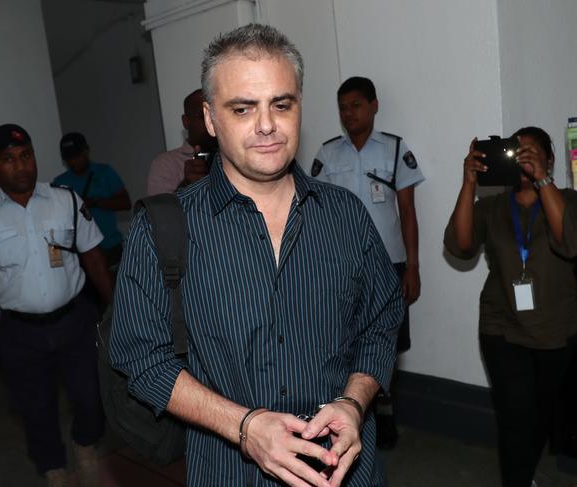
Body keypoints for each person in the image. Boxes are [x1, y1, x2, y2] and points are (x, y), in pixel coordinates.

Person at [110, 24, 403, 487]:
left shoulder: (345, 214)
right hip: (231, 472)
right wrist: (244, 427)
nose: (266, 125)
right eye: (242, 108)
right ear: (209, 119)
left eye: (281, 105)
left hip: (344, 473)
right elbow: (141, 357)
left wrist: (353, 401)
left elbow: (381, 321)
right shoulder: (164, 228)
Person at [0, 124, 114, 487]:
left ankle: (85, 447)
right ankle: (54, 469)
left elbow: (94, 259)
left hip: (75, 321)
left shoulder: (65, 200)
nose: (21, 166)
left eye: (26, 156)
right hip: (21, 332)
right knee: (35, 409)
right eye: (9, 160)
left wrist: (118, 309)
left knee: (91, 398)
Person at [444, 127, 577, 487]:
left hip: (556, 331)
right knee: (515, 416)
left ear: (549, 159)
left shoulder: (568, 200)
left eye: (533, 153)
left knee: (543, 415)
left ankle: (523, 473)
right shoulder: (492, 206)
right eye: (518, 152)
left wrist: (543, 181)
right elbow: (460, 244)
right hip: (502, 329)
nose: (525, 159)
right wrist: (469, 182)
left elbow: (569, 242)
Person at [311, 76, 424, 449]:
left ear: (374, 105)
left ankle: (386, 416)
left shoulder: (394, 150)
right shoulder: (328, 154)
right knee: (347, 340)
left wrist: (412, 266)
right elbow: (314, 211)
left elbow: (407, 212)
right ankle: (351, 412)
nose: (349, 114)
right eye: (343, 107)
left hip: (389, 265)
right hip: (342, 265)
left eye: (356, 105)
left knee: (387, 342)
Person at [54, 132, 131, 268]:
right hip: (79, 254)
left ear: (86, 150)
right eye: (68, 158)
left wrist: (95, 202)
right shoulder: (59, 183)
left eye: (76, 155)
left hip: (110, 248)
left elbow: (125, 203)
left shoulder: (105, 172)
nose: (73, 161)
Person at [146, 88, 218, 195]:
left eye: (214, 115)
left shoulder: (234, 155)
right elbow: (160, 210)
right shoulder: (165, 164)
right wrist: (185, 185)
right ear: (186, 121)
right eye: (203, 116)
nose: (210, 122)